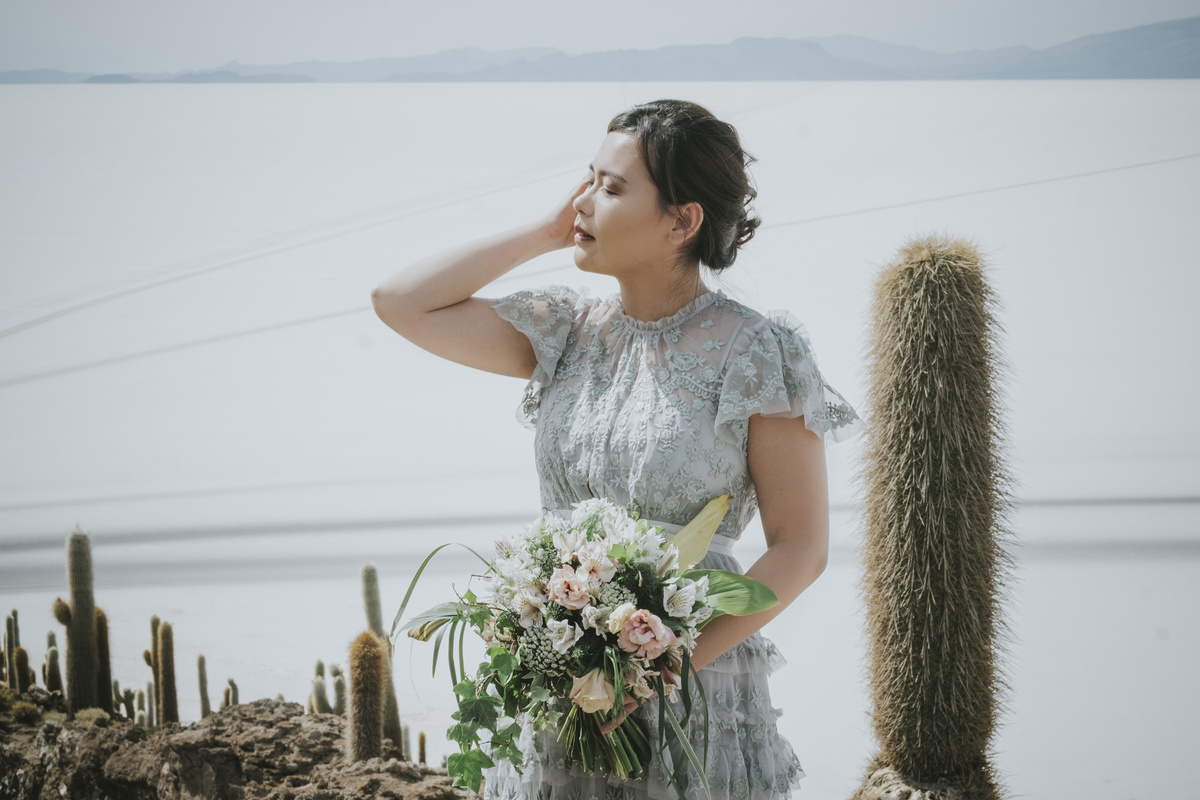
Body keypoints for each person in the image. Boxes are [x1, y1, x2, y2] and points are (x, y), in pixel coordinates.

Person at [371, 99, 866, 800]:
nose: (584, 202)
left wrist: (661, 667)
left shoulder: (756, 351)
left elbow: (800, 548)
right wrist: (548, 232)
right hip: (559, 678)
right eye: (586, 179)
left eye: (610, 187)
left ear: (682, 221)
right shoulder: (567, 330)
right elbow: (399, 301)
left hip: (693, 686)